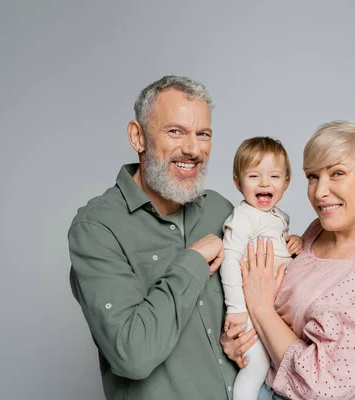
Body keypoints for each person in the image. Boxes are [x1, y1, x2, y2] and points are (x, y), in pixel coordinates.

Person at [68, 75, 255, 400]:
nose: (193, 149)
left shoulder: (220, 210)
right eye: (175, 131)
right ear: (137, 136)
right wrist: (192, 263)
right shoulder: (97, 228)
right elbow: (132, 355)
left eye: (203, 134)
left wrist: (234, 340)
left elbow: (259, 302)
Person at [233, 121, 355, 399]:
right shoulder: (321, 229)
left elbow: (321, 386)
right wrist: (241, 341)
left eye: (337, 173)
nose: (320, 191)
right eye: (312, 176)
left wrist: (261, 308)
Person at [220, 137, 303, 399]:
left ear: (286, 182)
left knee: (278, 365)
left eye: (274, 176)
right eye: (254, 176)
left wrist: (295, 242)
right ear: (238, 181)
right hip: (246, 309)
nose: (265, 183)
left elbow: (278, 249)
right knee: (257, 365)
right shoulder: (244, 216)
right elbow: (230, 258)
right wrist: (236, 309)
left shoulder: (279, 218)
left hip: (271, 309)